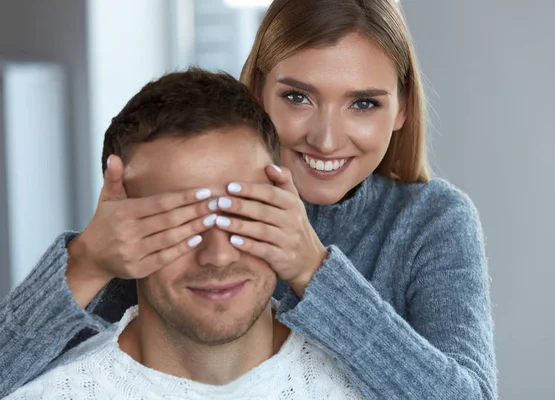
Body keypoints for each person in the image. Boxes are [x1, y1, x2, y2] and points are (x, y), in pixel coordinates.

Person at [0, 0, 497, 399]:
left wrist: (313, 270)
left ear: (402, 108)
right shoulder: (174, 193)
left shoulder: (432, 220)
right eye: (298, 97)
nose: (326, 139)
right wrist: (87, 262)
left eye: (363, 103)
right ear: (256, 88)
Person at [5, 68, 362, 400]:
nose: (218, 255)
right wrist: (85, 260)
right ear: (118, 233)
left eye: (240, 215)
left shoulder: (366, 387)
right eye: (177, 223)